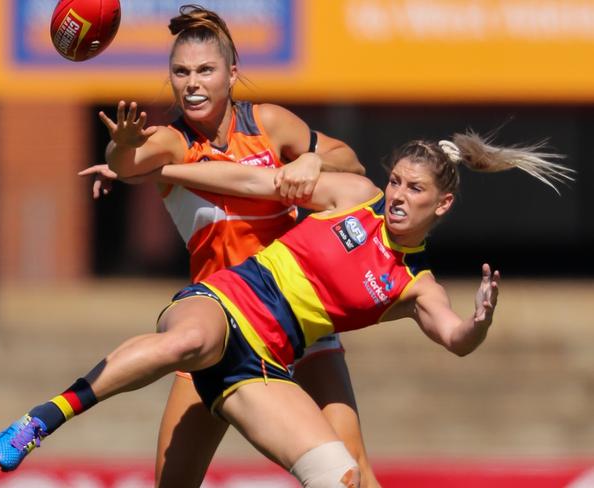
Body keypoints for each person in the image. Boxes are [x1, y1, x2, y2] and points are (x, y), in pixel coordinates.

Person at [0, 128, 572, 486]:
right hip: (222, 303)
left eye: (414, 190)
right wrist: (149, 171)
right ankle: (45, 416)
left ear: (443, 204)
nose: (397, 195)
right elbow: (248, 182)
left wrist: (478, 323)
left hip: (264, 364)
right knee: (186, 345)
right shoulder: (354, 197)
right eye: (395, 181)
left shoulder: (417, 283)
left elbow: (454, 338)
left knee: (338, 477)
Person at [79, 4, 379, 487]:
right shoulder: (172, 142)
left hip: (298, 320)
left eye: (204, 70)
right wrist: (120, 148)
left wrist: (312, 162)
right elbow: (131, 160)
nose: (192, 83)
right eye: (180, 72)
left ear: (232, 73)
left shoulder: (268, 122)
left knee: (355, 471)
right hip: (217, 325)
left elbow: (354, 166)